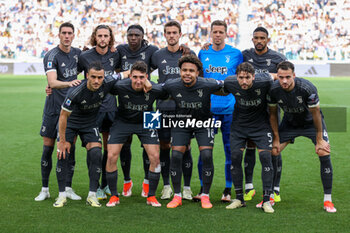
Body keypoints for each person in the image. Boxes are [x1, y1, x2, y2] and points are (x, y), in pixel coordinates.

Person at [268, 61, 336, 213]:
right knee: (274, 151)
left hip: (311, 124)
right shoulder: (273, 90)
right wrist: (276, 138)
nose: (284, 81)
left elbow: (316, 114)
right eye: (281, 77)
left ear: (294, 75)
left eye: (287, 77)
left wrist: (319, 139)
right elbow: (273, 115)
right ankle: (272, 194)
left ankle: (328, 200)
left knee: (323, 152)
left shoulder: (307, 88)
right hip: (290, 123)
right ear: (277, 76)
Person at [54, 61, 120, 208]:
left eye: (100, 77)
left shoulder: (107, 82)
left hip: (89, 124)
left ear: (104, 77)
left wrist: (146, 81)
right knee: (63, 153)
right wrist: (62, 141)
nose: (97, 81)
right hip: (71, 123)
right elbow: (63, 116)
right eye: (93, 77)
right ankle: (61, 195)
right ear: (87, 76)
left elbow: (125, 74)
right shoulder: (76, 92)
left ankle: (92, 195)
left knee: (96, 153)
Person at [163, 54, 224, 209]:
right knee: (176, 155)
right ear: (180, 71)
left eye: (191, 70)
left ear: (198, 72)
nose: (187, 73)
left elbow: (229, 85)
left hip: (204, 123)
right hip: (182, 122)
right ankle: (177, 196)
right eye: (184, 70)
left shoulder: (208, 84)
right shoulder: (171, 85)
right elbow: (156, 90)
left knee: (206, 155)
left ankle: (205, 196)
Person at [105, 61, 167, 207]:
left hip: (148, 118)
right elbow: (103, 83)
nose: (138, 81)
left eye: (141, 77)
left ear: (146, 77)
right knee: (111, 155)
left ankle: (151, 196)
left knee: (155, 157)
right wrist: (120, 75)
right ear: (130, 76)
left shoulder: (155, 88)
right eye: (135, 77)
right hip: (123, 120)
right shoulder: (120, 86)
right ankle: (114, 196)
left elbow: (172, 88)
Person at [78, 24, 127, 200]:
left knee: (109, 149)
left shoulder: (116, 54)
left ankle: (106, 184)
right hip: (91, 110)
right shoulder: (84, 56)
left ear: (110, 38)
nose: (103, 39)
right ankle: (95, 186)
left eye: (106, 36)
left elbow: (123, 72)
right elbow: (72, 74)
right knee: (93, 150)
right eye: (100, 36)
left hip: (111, 108)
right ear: (94, 37)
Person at [196, 20, 243, 202]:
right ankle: (202, 188)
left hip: (230, 110)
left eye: (220, 32)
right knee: (205, 151)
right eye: (214, 32)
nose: (217, 35)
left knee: (231, 151)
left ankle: (228, 189)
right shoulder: (203, 52)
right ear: (210, 33)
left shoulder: (236, 54)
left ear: (226, 34)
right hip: (208, 111)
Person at [35, 22, 81, 202]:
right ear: (59, 35)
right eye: (64, 33)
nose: (67, 36)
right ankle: (44, 188)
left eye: (70, 33)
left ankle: (68, 187)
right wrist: (69, 83)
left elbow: (91, 69)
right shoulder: (51, 55)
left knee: (70, 148)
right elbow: (52, 82)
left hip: (71, 109)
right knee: (48, 148)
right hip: (53, 108)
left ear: (74, 35)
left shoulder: (78, 54)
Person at [151, 20, 196, 200]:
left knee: (185, 147)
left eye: (174, 33)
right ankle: (167, 186)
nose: (171, 35)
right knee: (164, 147)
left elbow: (196, 77)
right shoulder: (156, 54)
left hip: (185, 109)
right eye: (168, 33)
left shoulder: (188, 53)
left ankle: (186, 188)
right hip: (161, 109)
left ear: (180, 34)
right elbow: (141, 71)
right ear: (165, 35)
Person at [241, 26, 287, 202]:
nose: (259, 41)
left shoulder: (278, 58)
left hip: (271, 108)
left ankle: (275, 189)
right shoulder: (245, 55)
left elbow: (286, 75)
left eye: (262, 38)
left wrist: (269, 76)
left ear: (268, 39)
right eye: (256, 38)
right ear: (252, 39)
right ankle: (249, 187)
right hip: (251, 108)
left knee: (274, 147)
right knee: (250, 145)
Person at [223, 62, 275, 213]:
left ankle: (266, 200)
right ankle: (239, 198)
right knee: (236, 156)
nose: (244, 81)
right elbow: (219, 89)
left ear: (254, 76)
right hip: (239, 126)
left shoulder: (265, 80)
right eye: (241, 78)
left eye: (247, 78)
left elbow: (276, 76)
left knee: (266, 157)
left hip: (261, 126)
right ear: (236, 77)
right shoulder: (230, 82)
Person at [116, 24, 159, 198]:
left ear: (143, 36)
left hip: (149, 107)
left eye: (137, 35)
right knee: (125, 145)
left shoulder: (152, 50)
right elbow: (112, 67)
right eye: (130, 35)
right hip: (126, 105)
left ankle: (148, 182)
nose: (133, 38)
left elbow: (166, 61)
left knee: (149, 147)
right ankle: (127, 181)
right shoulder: (120, 50)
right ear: (126, 36)